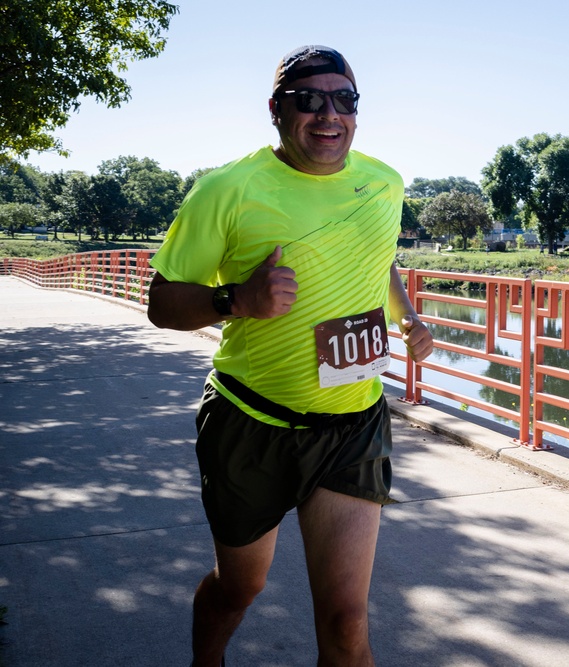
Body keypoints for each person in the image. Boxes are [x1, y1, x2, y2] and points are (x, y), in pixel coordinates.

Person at [146, 45, 434, 667]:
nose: (329, 114)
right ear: (276, 110)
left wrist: (405, 315)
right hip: (252, 424)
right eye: (309, 100)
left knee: (346, 619)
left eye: (345, 100)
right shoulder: (228, 189)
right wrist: (236, 300)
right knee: (239, 587)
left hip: (353, 424)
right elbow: (162, 303)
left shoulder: (383, 182)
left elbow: (379, 259)